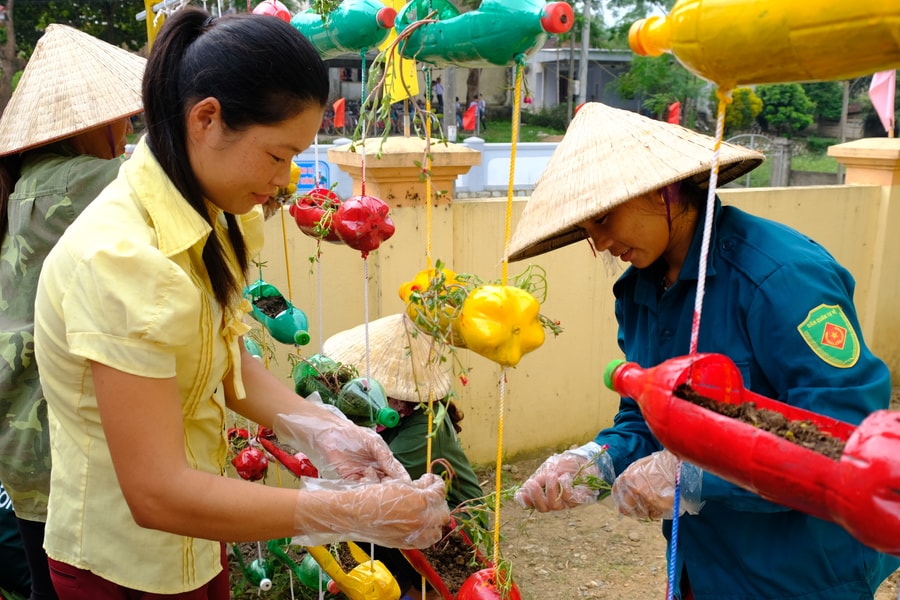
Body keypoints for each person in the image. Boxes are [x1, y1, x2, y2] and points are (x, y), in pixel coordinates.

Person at [32, 9, 448, 599]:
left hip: (198, 542)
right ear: (206, 118)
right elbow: (156, 493)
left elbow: (222, 363)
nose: (286, 180)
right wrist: (344, 512)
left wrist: (319, 428)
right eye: (278, 155)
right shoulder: (123, 263)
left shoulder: (215, 218)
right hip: (122, 566)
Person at [507, 102, 900, 600]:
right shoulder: (638, 294)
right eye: (587, 231)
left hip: (799, 569)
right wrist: (599, 459)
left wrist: (696, 477)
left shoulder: (779, 278)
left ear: (664, 189)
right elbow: (645, 417)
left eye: (604, 218)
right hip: (701, 560)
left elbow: (844, 439)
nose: (601, 243)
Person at [0, 24, 147, 600]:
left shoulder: (27, 184)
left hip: (23, 440)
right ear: (91, 124)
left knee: (46, 581)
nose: (127, 131)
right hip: (54, 441)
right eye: (124, 119)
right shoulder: (75, 180)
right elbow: (179, 183)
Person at [321, 314, 484, 599]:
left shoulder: (425, 426)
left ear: (397, 398)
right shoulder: (388, 416)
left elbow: (371, 487)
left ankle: (417, 590)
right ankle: (397, 585)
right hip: (417, 512)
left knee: (365, 516)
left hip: (456, 527)